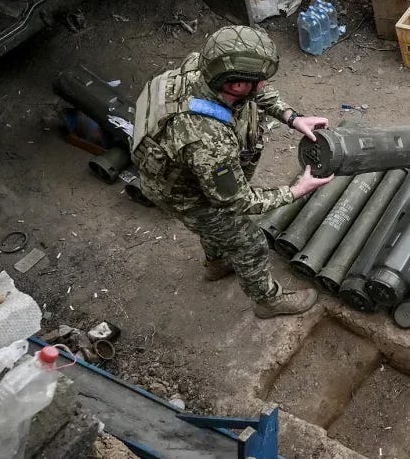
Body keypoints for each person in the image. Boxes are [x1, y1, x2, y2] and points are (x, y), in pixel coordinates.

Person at [131, 25, 333, 319]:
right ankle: (268, 301)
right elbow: (237, 201)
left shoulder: (205, 69)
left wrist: (292, 117)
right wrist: (295, 191)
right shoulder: (207, 139)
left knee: (221, 227)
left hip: (194, 172)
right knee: (248, 241)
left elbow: (258, 94)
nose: (264, 86)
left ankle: (216, 262)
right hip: (182, 193)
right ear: (236, 86)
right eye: (259, 81)